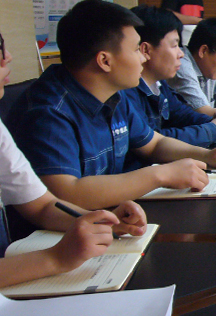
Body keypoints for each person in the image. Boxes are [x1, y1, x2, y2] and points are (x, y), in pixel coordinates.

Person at [8, 0, 216, 210]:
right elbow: (66, 193)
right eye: (135, 49)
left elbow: (154, 144)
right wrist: (160, 175)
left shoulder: (115, 95)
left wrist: (207, 155)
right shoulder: (49, 111)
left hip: (112, 215)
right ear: (105, 61)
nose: (143, 57)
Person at [0, 31, 147, 289]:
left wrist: (102, 221)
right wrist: (55, 258)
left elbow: (42, 205)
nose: (8, 56)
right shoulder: (48, 108)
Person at [123, 5, 216, 160]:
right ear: (146, 50)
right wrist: (213, 130)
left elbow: (182, 115)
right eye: (175, 46)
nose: (181, 54)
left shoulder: (160, 85)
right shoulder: (126, 93)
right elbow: (154, 140)